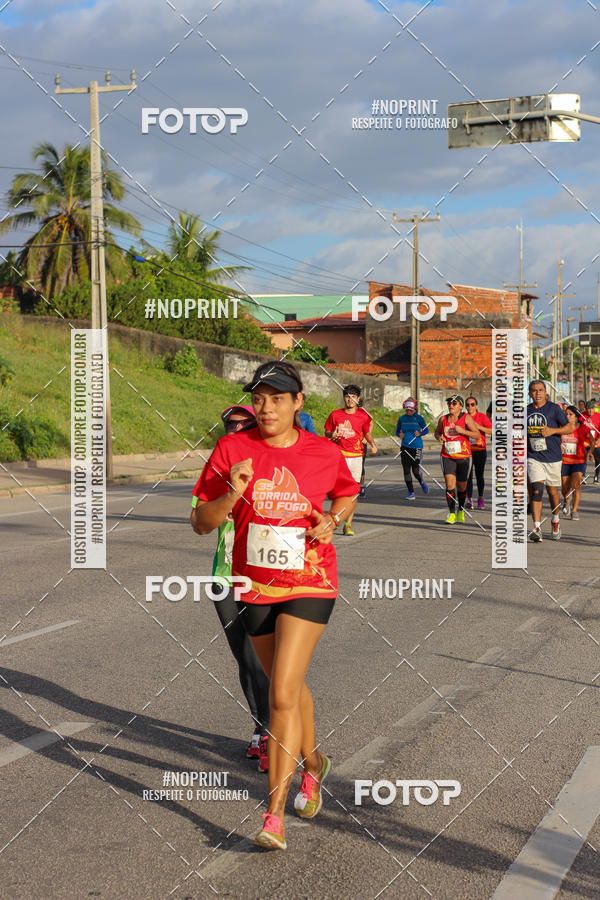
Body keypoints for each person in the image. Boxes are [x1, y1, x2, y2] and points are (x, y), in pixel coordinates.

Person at [190, 361, 358, 851]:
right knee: (290, 683)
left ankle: (274, 815)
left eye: (277, 398)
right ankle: (315, 764)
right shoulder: (231, 449)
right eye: (259, 398)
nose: (266, 407)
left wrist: (332, 519)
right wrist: (234, 492)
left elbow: (347, 495)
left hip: (310, 580)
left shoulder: (322, 451)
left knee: (281, 693)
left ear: (298, 402)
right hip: (254, 586)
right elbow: (201, 521)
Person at [194, 405, 272, 773]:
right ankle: (259, 726)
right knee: (243, 656)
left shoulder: (267, 468)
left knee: (259, 660)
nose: (236, 429)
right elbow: (199, 520)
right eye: (230, 425)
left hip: (259, 578)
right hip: (224, 578)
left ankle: (274, 732)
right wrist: (223, 503)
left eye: (244, 424)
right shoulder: (217, 470)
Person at [325, 384, 377, 534]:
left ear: (358, 399)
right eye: (347, 396)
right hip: (340, 456)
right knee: (339, 492)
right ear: (344, 398)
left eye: (353, 397)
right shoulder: (335, 415)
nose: (349, 400)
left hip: (356, 457)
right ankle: (335, 518)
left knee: (353, 492)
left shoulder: (363, 416)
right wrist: (331, 435)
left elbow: (367, 433)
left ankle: (348, 524)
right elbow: (327, 431)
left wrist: (373, 444)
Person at [527, 380, 574, 542]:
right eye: (534, 391)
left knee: (552, 491)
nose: (537, 393)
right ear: (529, 393)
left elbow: (569, 428)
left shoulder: (554, 409)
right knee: (536, 490)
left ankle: (555, 520)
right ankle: (537, 528)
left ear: (545, 392)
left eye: (540, 390)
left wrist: (552, 431)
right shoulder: (526, 411)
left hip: (553, 457)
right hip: (534, 456)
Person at [434, 395, 480, 524]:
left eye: (454, 403)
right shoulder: (443, 419)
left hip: (464, 457)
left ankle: (460, 509)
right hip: (447, 456)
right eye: (449, 403)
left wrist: (463, 431)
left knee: (461, 486)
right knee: (449, 485)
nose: (451, 405)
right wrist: (439, 437)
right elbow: (437, 432)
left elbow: (477, 434)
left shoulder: (466, 418)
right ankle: (451, 513)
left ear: (460, 406)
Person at [395, 397, 429, 499]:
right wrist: (399, 435)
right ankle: (411, 492)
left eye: (411, 410)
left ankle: (421, 481)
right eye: (407, 410)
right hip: (405, 447)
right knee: (406, 470)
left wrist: (420, 433)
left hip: (417, 447)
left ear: (414, 409)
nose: (409, 411)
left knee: (415, 471)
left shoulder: (419, 418)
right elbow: (397, 431)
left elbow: (426, 429)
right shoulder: (401, 418)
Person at [560, 406, 590, 520]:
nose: (567, 416)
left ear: (577, 417)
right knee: (565, 486)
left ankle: (574, 510)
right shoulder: (561, 427)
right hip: (564, 461)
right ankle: (566, 500)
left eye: (570, 414)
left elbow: (591, 440)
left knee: (576, 485)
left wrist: (590, 452)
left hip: (578, 461)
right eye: (566, 414)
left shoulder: (582, 428)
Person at [464, 397, 492, 509]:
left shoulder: (482, 417)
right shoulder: (463, 417)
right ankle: (469, 500)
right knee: (468, 476)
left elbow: (491, 430)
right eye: (468, 405)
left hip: (480, 450)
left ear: (476, 406)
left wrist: (478, 427)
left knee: (479, 475)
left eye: (472, 404)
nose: (470, 407)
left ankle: (480, 497)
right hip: (467, 451)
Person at [583, 399, 600, 483]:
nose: (590, 410)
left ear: (594, 408)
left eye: (591, 408)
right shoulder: (582, 416)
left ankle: (597, 476)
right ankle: (583, 476)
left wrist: (599, 439)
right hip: (585, 442)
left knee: (598, 459)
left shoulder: (598, 416)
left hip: (596, 442)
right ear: (586, 409)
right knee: (583, 458)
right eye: (588, 409)